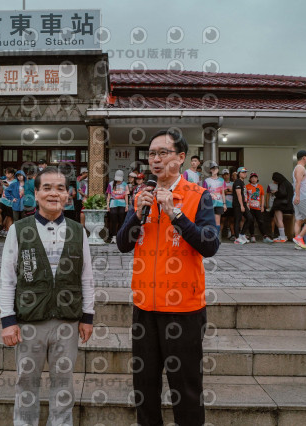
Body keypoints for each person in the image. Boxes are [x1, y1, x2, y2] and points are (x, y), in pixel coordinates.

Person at [116, 129, 218, 425]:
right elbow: (123, 244)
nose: (156, 159)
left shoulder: (198, 196)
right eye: (152, 154)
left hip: (183, 309)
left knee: (186, 388)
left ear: (181, 157)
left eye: (163, 152)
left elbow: (210, 245)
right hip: (145, 307)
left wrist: (176, 214)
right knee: (144, 387)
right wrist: (137, 215)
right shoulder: (141, 196)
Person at [0, 166, 94, 425]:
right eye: (47, 188)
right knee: (26, 381)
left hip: (67, 320)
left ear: (68, 194)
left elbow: (86, 276)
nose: (54, 193)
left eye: (60, 188)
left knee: (63, 383)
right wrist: (7, 320)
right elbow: (8, 277)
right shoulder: (19, 229)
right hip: (29, 320)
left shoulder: (78, 231)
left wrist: (88, 316)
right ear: (36, 193)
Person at [245, 172, 273, 243]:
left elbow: (262, 196)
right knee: (251, 221)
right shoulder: (247, 186)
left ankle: (265, 236)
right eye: (252, 177)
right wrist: (247, 204)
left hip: (258, 207)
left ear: (257, 179)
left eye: (255, 177)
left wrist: (262, 206)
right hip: (250, 207)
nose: (253, 179)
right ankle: (252, 236)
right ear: (250, 179)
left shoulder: (260, 187)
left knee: (261, 221)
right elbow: (245, 196)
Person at [202, 161, 226, 238]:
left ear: (218, 170)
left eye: (216, 168)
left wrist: (224, 204)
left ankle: (216, 237)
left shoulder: (222, 180)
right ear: (210, 170)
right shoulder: (206, 180)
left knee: (217, 221)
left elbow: (223, 193)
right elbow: (204, 193)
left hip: (219, 203)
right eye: (212, 168)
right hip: (209, 203)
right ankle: (210, 237)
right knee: (209, 221)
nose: (214, 170)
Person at [106, 170, 129, 244]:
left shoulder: (125, 184)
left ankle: (120, 235)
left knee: (121, 220)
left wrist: (127, 205)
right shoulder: (111, 184)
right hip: (113, 203)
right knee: (113, 220)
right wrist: (107, 205)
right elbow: (109, 195)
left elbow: (126, 195)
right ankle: (113, 236)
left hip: (122, 203)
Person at [271, 172, 294, 242]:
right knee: (276, 218)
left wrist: (275, 192)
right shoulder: (287, 183)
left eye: (275, 180)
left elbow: (282, 193)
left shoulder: (282, 183)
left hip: (281, 204)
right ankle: (282, 236)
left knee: (279, 219)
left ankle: (282, 236)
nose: (274, 182)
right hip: (287, 204)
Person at [233, 167, 253, 244]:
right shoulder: (237, 182)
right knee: (237, 220)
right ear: (239, 173)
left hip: (243, 203)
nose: (245, 174)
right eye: (243, 172)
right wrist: (241, 205)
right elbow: (239, 194)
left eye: (245, 172)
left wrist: (246, 204)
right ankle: (236, 238)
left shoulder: (242, 182)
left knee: (250, 218)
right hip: (238, 204)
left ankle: (241, 234)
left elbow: (243, 194)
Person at [0, 168, 15, 236]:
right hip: (3, 200)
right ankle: (1, 225)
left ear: (12, 174)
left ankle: (8, 233)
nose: (7, 175)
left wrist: (9, 186)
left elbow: (16, 191)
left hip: (11, 202)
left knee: (9, 217)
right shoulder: (4, 181)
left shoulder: (15, 181)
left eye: (8, 173)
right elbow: (1, 192)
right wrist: (1, 185)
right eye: (6, 173)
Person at [222, 169, 235, 240]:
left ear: (229, 175)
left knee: (231, 220)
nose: (226, 176)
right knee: (222, 220)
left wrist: (227, 190)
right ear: (222, 176)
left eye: (227, 174)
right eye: (224, 175)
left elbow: (235, 192)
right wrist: (229, 191)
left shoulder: (233, 183)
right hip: (223, 204)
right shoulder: (221, 183)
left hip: (232, 205)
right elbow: (223, 192)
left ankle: (232, 234)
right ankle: (219, 235)